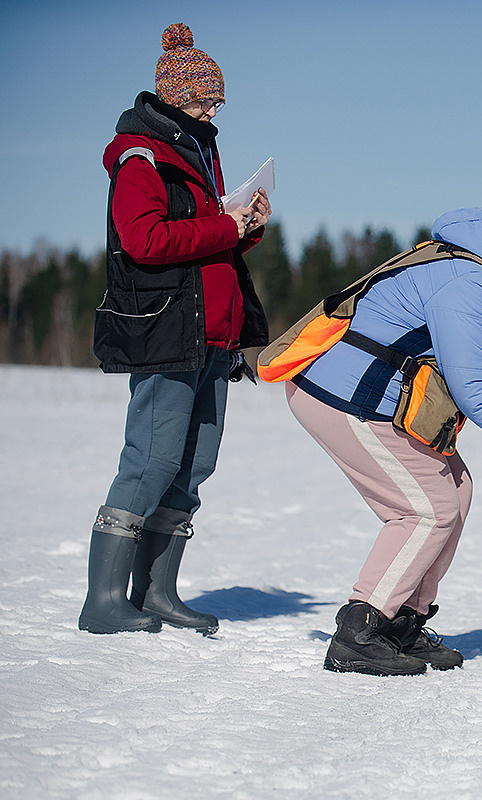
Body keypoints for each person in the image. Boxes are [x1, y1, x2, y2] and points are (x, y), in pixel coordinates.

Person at [283, 189, 482, 676]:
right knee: (425, 508)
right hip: (341, 398)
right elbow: (475, 392)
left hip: (365, 401)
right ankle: (361, 629)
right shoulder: (472, 283)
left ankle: (403, 621)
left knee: (456, 486)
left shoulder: (478, 274)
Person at [80, 23, 272, 636]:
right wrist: (225, 227)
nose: (215, 110)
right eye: (207, 100)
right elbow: (145, 240)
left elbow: (207, 240)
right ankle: (104, 600)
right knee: (151, 458)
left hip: (212, 337)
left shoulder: (197, 151)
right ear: (176, 98)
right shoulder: (142, 158)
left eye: (217, 102)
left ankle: (156, 592)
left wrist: (246, 224)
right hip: (166, 335)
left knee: (193, 465)